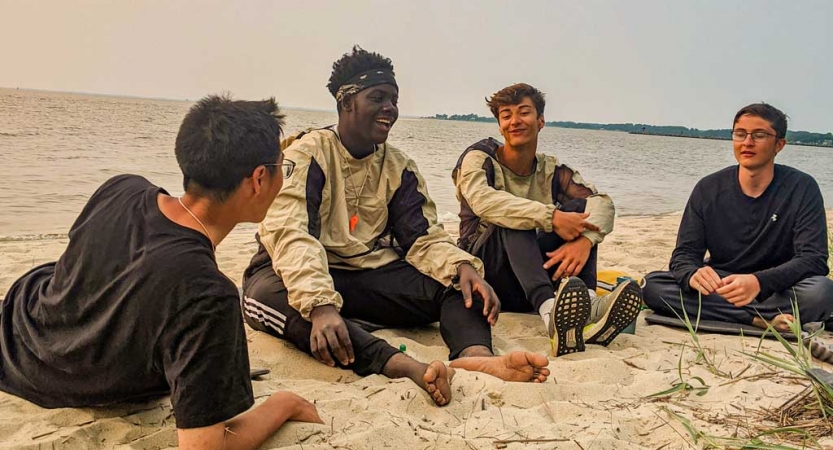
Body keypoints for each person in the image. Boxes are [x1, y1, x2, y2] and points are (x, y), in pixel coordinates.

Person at [0, 95, 323, 450]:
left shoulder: (121, 189)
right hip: (71, 379)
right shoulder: (209, 295)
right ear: (258, 179)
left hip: (21, 328)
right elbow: (205, 445)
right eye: (282, 168)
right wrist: (284, 404)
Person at [241, 46, 550, 406]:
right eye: (378, 98)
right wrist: (320, 305)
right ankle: (399, 363)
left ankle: (475, 355)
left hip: (363, 273)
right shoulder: (308, 154)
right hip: (287, 272)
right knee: (269, 299)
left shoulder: (399, 167)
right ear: (346, 103)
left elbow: (422, 238)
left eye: (394, 99)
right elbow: (291, 235)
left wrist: (462, 266)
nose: (390, 108)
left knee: (459, 285)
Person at [452, 83, 643, 357]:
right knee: (515, 216)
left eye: (524, 112)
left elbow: (603, 203)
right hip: (487, 274)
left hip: (529, 276)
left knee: (580, 210)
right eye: (506, 115)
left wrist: (585, 242)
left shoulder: (551, 170)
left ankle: (587, 306)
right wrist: (551, 216)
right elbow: (484, 201)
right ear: (499, 126)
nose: (515, 121)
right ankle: (550, 315)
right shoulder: (479, 158)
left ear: (540, 121)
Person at [643, 103, 833, 331]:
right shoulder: (708, 188)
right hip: (724, 285)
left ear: (779, 144)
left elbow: (814, 259)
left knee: (821, 291)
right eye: (740, 134)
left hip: (777, 287)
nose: (747, 142)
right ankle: (758, 321)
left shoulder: (802, 187)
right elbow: (684, 254)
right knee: (651, 285)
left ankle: (732, 314)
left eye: (759, 135)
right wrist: (693, 274)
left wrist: (758, 282)